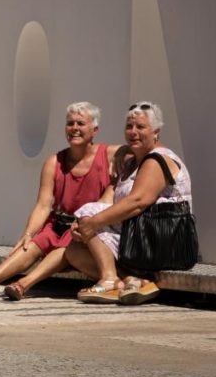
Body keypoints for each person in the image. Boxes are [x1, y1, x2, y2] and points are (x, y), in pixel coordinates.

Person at [0, 102, 119, 301]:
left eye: (80, 123)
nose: (74, 128)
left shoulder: (110, 155)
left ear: (95, 130)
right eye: (70, 123)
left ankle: (23, 284)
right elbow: (43, 205)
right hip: (57, 223)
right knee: (29, 246)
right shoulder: (54, 162)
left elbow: (137, 149)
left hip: (82, 229)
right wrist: (28, 233)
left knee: (65, 248)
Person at [67, 102, 192, 305]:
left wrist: (92, 222)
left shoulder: (157, 160)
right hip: (137, 234)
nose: (133, 132)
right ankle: (130, 281)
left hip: (161, 238)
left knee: (90, 216)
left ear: (156, 132)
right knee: (74, 251)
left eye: (140, 127)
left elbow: (137, 202)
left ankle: (109, 278)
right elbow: (107, 200)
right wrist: (81, 223)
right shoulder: (130, 162)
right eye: (129, 127)